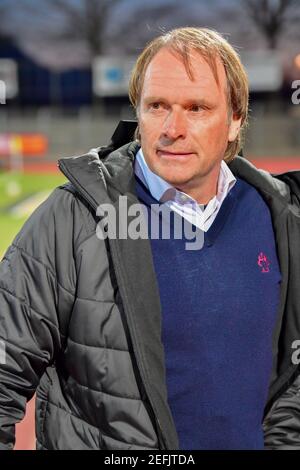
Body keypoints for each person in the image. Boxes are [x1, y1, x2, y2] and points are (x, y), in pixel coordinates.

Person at [0, 27, 300, 451]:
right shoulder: (74, 218)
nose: (172, 128)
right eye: (157, 106)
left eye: (197, 108)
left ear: (235, 120)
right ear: (138, 112)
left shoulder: (282, 217)